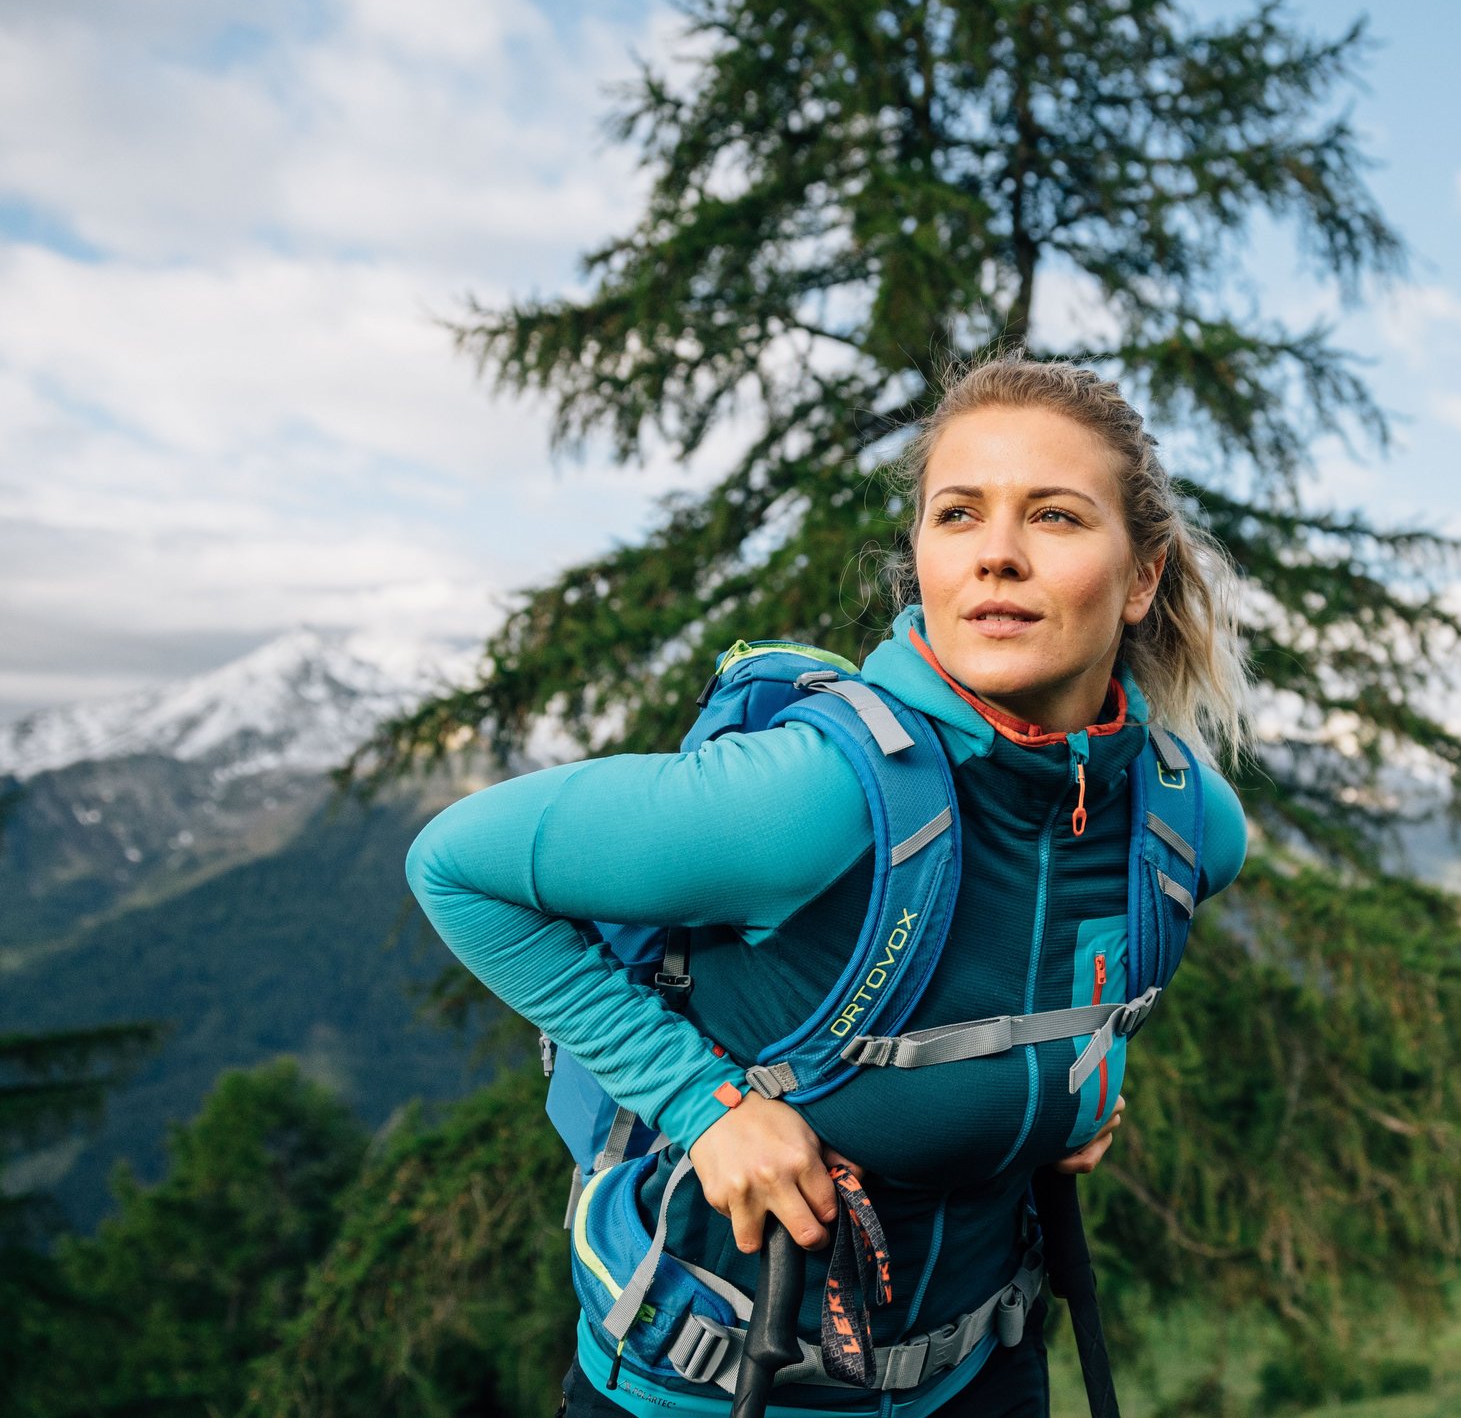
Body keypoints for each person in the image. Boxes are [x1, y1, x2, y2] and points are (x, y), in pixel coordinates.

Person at [406, 353, 1253, 1417]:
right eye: (958, 515)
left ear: (1141, 577)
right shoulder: (818, 801)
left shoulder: (1178, 821)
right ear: (923, 559)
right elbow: (454, 866)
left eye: (1053, 517)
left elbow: (1053, 950)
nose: (996, 555)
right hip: (721, 1392)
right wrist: (700, 1108)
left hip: (986, 1374)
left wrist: (1071, 1067)